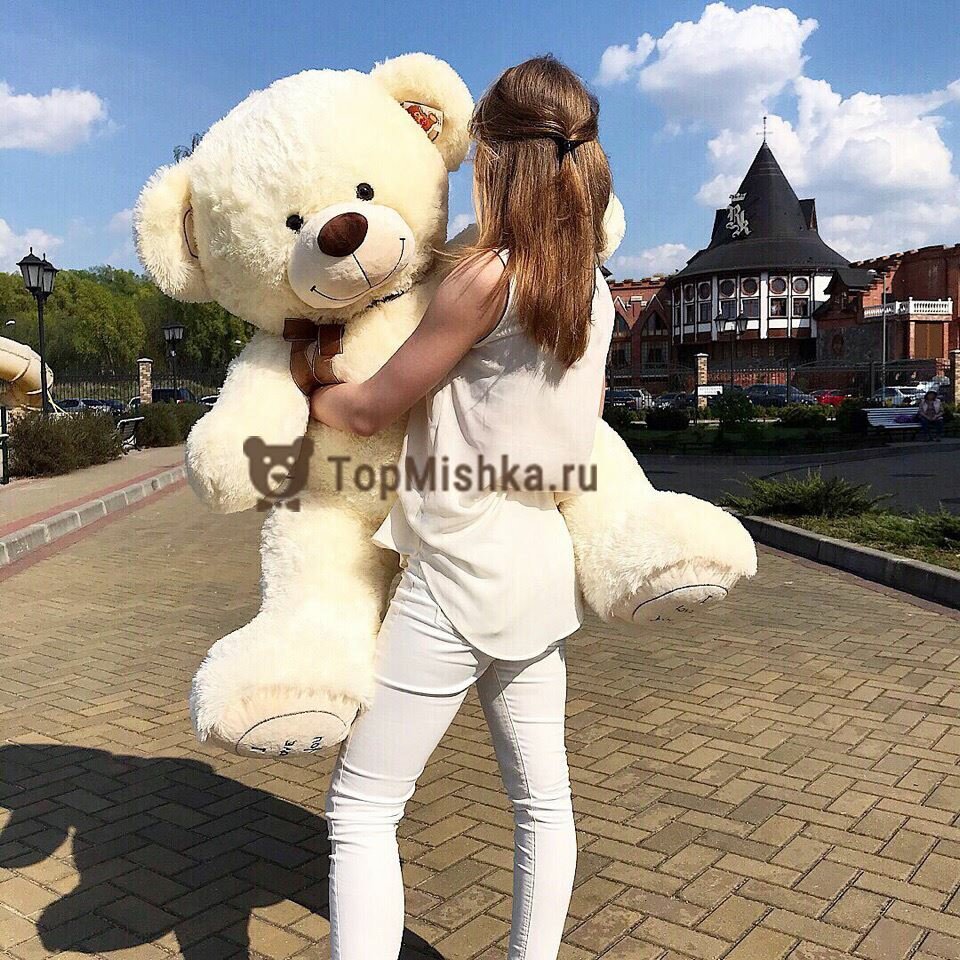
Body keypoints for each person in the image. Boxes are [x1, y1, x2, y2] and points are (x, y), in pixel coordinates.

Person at [309, 56, 615, 960]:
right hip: (539, 561)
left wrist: (310, 385)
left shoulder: (486, 278)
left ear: (498, 158)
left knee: (363, 807)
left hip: (455, 566)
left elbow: (373, 408)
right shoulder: (593, 288)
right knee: (544, 805)